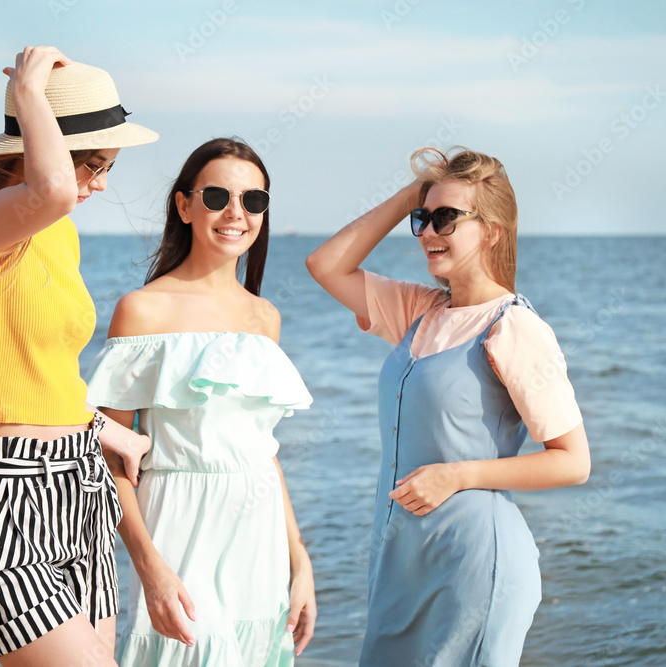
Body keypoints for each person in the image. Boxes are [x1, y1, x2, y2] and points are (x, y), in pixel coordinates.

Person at [0, 47, 158, 665]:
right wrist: (29, 91)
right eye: (92, 165)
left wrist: (98, 428)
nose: (98, 185)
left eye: (108, 168)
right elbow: (52, 190)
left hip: (83, 492)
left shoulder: (55, 228)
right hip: (8, 502)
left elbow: (40, 368)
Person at [306, 147, 591, 666]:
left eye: (446, 218)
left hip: (473, 562)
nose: (428, 232)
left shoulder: (514, 326)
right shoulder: (420, 310)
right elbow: (325, 264)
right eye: (423, 219)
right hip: (400, 561)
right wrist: (408, 198)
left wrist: (457, 475)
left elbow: (573, 461)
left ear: (493, 231)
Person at [85, 137, 317, 665]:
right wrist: (149, 567)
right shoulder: (142, 311)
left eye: (253, 201)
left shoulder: (264, 318)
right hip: (179, 529)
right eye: (217, 196)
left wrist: (298, 561)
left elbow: (262, 452)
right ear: (185, 205)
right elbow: (107, 457)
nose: (236, 213)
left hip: (259, 539)